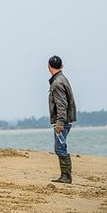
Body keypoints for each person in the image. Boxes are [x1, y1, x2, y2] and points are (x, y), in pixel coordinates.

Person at [47, 55, 77, 184]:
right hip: (64, 119)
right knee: (61, 146)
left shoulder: (57, 82)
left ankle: (66, 176)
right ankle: (65, 175)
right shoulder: (62, 79)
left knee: (59, 148)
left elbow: (61, 104)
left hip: (62, 121)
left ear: (49, 67)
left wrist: (59, 122)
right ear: (62, 66)